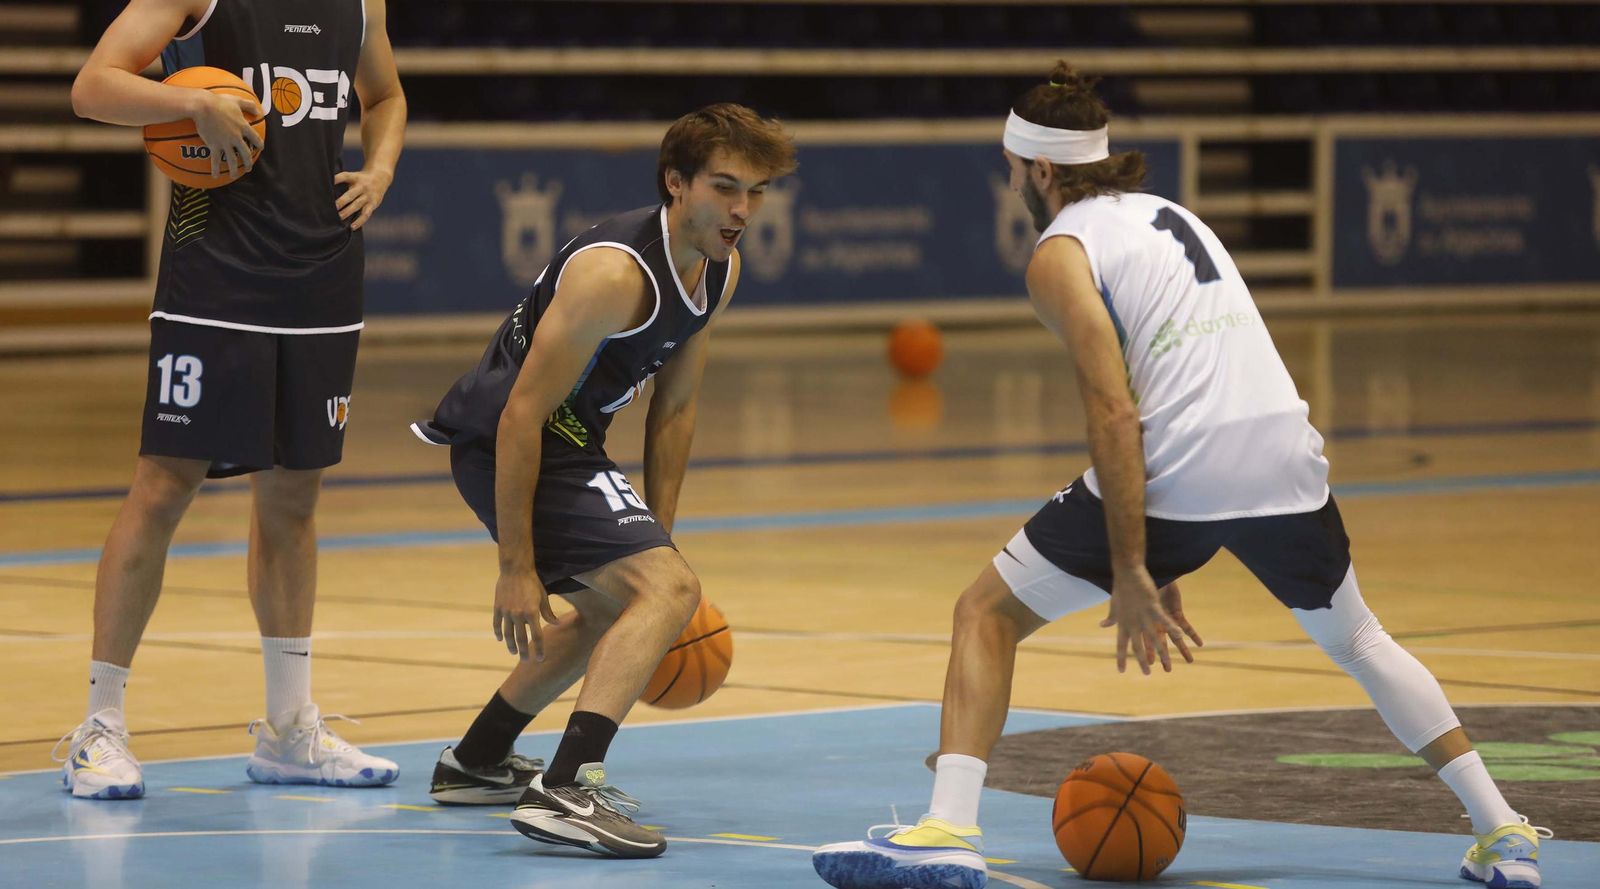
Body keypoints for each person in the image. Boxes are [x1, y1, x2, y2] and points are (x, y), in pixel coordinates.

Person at [812, 62, 1546, 889]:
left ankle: (948, 827)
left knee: (984, 612)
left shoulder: (1059, 254)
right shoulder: (1171, 214)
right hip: (1283, 451)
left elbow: (1116, 414)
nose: (1013, 179)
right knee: (1361, 639)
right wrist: (1168, 547)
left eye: (1014, 167)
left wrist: (1134, 565)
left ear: (1041, 170)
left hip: (1182, 465)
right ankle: (1504, 831)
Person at [410, 103, 796, 859]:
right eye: (725, 188)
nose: (742, 210)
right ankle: (566, 787)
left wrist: (662, 544)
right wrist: (516, 567)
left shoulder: (719, 269)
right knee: (661, 593)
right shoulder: (614, 275)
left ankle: (476, 762)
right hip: (506, 439)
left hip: (567, 441)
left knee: (634, 596)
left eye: (754, 191)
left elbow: (677, 407)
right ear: (675, 184)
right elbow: (521, 412)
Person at [57, 0, 407, 799]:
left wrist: (381, 167)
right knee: (162, 485)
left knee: (293, 501)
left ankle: (290, 731)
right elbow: (92, 86)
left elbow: (385, 96)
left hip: (322, 275)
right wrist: (189, 102)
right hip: (215, 273)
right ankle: (100, 728)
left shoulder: (361, 4)